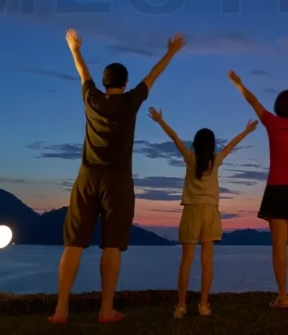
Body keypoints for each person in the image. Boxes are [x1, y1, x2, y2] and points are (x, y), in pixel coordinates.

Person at [48, 28, 186, 325]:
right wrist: (172, 51)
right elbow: (153, 75)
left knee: (73, 243)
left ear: (105, 83)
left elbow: (82, 73)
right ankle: (105, 310)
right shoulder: (130, 101)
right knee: (112, 245)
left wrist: (74, 48)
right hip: (118, 181)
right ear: (124, 84)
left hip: (87, 177)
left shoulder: (92, 99)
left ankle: (61, 311)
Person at [147, 106, 258, 318]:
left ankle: (180, 307)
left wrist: (160, 120)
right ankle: (204, 305)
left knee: (186, 261)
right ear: (212, 145)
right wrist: (247, 130)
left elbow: (175, 138)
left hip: (191, 211)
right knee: (207, 261)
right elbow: (233, 145)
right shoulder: (215, 161)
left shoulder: (190, 158)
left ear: (196, 144)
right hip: (210, 212)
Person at [228, 70, 288, 309]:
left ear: (279, 106)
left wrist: (239, 84)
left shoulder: (272, 123)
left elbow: (254, 102)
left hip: (277, 188)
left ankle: (282, 296)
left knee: (279, 245)